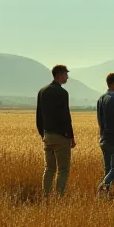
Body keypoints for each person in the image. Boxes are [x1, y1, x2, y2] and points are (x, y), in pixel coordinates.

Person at [36, 64, 76, 198]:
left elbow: (39, 116)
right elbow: (66, 116)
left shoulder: (42, 91)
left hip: (47, 136)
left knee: (49, 168)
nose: (67, 77)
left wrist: (43, 134)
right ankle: (59, 197)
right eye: (66, 74)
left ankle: (46, 196)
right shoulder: (62, 93)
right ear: (59, 75)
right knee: (63, 169)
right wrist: (70, 136)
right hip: (61, 137)